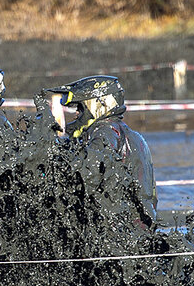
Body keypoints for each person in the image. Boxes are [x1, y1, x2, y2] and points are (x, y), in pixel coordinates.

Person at [40, 75, 157, 225]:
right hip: (139, 224)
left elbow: (88, 175)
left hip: (118, 231)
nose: (77, 114)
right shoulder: (130, 134)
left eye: (80, 109)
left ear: (100, 104)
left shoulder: (105, 132)